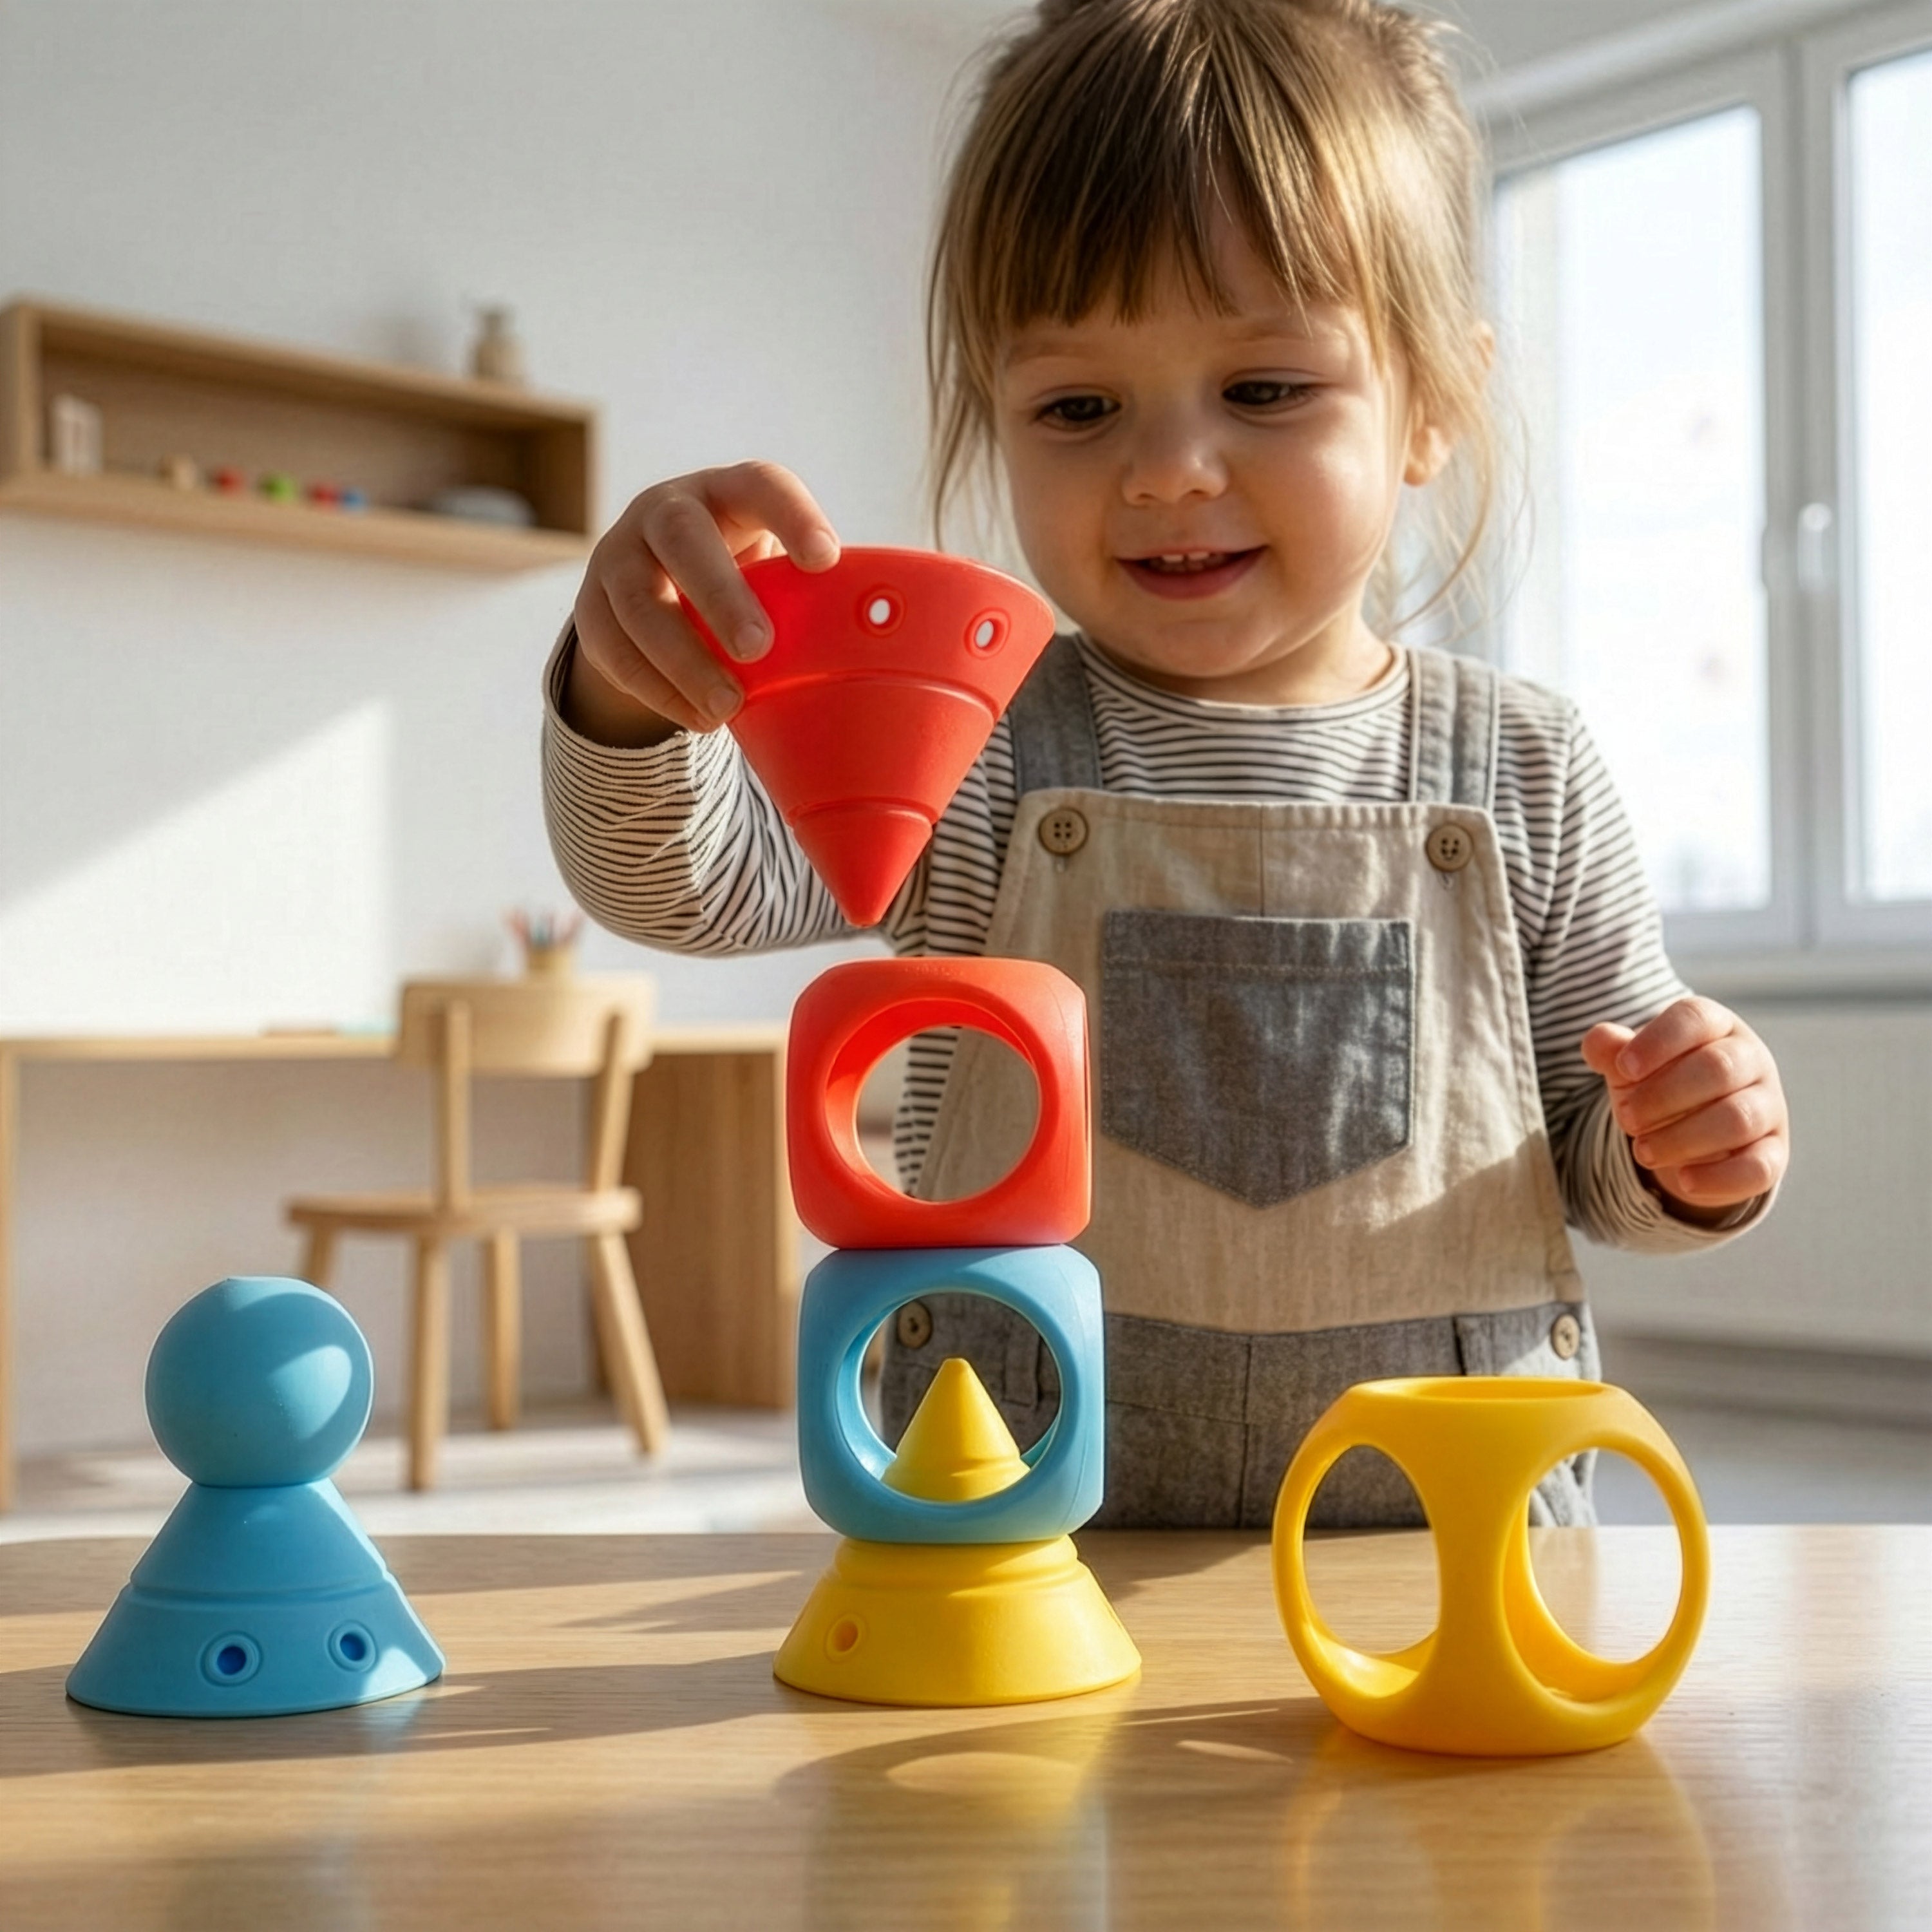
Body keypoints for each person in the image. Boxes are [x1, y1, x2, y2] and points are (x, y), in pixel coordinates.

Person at [542, 0, 1789, 1528]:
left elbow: (1594, 1169)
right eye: (1077, 407)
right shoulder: (977, 734)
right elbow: (687, 890)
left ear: (1435, 405)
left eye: (1266, 390)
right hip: (1015, 1527)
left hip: (1450, 1563)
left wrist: (1691, 1153)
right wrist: (629, 693)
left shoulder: (1526, 762)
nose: (1168, 469)